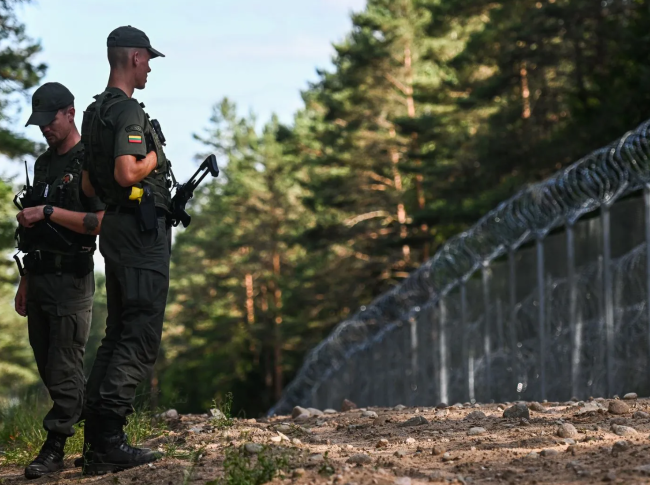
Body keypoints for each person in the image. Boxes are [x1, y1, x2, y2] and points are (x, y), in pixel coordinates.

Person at [79, 25, 172, 475]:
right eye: (148, 58)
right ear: (133, 57)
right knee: (139, 334)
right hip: (139, 235)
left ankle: (95, 441)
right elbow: (123, 172)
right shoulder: (129, 112)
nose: (150, 66)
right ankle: (109, 441)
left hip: (114, 231)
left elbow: (88, 184)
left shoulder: (95, 113)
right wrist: (155, 156)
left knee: (117, 330)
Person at [15, 82, 105, 480]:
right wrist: (25, 281)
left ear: (69, 113)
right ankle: (102, 429)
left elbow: (98, 223)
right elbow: (34, 230)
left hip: (72, 280)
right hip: (40, 276)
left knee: (65, 366)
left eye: (49, 121)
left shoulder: (90, 160)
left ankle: (54, 449)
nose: (44, 129)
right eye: (39, 123)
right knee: (49, 368)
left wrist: (48, 211)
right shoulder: (44, 163)